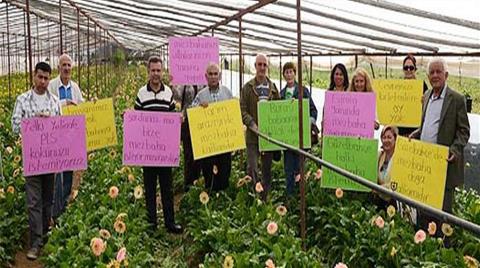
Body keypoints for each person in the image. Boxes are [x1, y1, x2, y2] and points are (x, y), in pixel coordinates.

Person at [409, 58, 470, 236]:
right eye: (432, 72)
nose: (435, 75)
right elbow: (429, 124)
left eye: (438, 72)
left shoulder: (456, 99)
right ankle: (423, 242)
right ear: (428, 76)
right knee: (424, 208)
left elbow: (464, 131)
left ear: (446, 75)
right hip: (425, 164)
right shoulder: (427, 96)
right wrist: (417, 133)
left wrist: (455, 149)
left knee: (443, 214)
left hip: (443, 164)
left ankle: (442, 249)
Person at [11, 62, 62, 260]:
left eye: (46, 78)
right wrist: (34, 123)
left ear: (50, 79)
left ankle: (46, 238)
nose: (42, 81)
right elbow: (15, 126)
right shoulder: (22, 100)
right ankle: (35, 242)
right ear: (34, 76)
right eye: (40, 77)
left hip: (50, 159)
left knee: (48, 199)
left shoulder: (55, 102)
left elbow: (61, 129)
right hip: (32, 159)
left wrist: (51, 123)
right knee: (33, 201)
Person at [134, 56, 182, 234]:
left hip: (164, 151)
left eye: (158, 70)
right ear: (148, 72)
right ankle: (151, 224)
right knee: (149, 187)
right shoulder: (141, 93)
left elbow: (172, 117)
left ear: (162, 72)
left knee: (167, 187)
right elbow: (136, 120)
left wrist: (179, 119)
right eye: (153, 70)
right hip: (148, 150)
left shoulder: (168, 93)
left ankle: (170, 222)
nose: (155, 74)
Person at [48, 53, 84, 220]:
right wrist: (65, 104)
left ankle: (64, 203)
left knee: (69, 171)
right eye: (64, 65)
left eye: (69, 65)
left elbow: (82, 106)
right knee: (58, 173)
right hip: (55, 136)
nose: (67, 68)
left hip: (71, 136)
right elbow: (48, 107)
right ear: (58, 68)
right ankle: (57, 211)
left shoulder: (75, 87)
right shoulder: (51, 86)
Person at [240, 54, 280, 199]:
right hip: (252, 136)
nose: (262, 67)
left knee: (267, 169)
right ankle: (253, 196)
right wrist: (251, 123)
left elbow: (279, 110)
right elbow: (242, 109)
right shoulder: (248, 88)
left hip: (268, 136)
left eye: (264, 65)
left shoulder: (273, 88)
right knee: (252, 168)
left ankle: (265, 197)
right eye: (259, 64)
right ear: (255, 66)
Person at [190, 63, 234, 191]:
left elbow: (233, 114)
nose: (213, 77)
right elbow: (191, 112)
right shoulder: (201, 95)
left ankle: (223, 199)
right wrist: (199, 108)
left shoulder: (227, 92)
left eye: (216, 74)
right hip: (208, 145)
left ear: (219, 76)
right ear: (206, 76)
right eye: (210, 74)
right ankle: (211, 196)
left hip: (224, 142)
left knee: (225, 171)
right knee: (209, 173)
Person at [280, 62, 318, 196]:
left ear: (295, 73)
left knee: (299, 167)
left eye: (291, 71)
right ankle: (290, 197)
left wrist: (309, 122)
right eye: (286, 72)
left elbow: (313, 110)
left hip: (300, 137)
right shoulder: (282, 93)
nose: (289, 74)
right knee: (288, 168)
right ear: (283, 75)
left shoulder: (303, 90)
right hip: (288, 138)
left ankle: (300, 195)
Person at [172, 84, 203, 192]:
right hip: (187, 121)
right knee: (189, 156)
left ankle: (198, 186)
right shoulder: (183, 80)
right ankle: (188, 187)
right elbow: (176, 98)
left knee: (200, 156)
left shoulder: (204, 79)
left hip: (202, 121)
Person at [398, 54, 429, 136]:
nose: (408, 70)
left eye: (411, 67)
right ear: (403, 69)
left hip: (416, 131)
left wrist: (424, 102)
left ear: (415, 69)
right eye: (406, 68)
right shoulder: (397, 86)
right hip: (400, 130)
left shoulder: (422, 86)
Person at [375, 125, 398, 209]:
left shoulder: (400, 159)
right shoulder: (379, 155)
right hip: (378, 202)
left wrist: (378, 189)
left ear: (395, 139)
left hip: (393, 203)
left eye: (389, 137)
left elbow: (396, 184)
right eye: (384, 137)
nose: (386, 140)